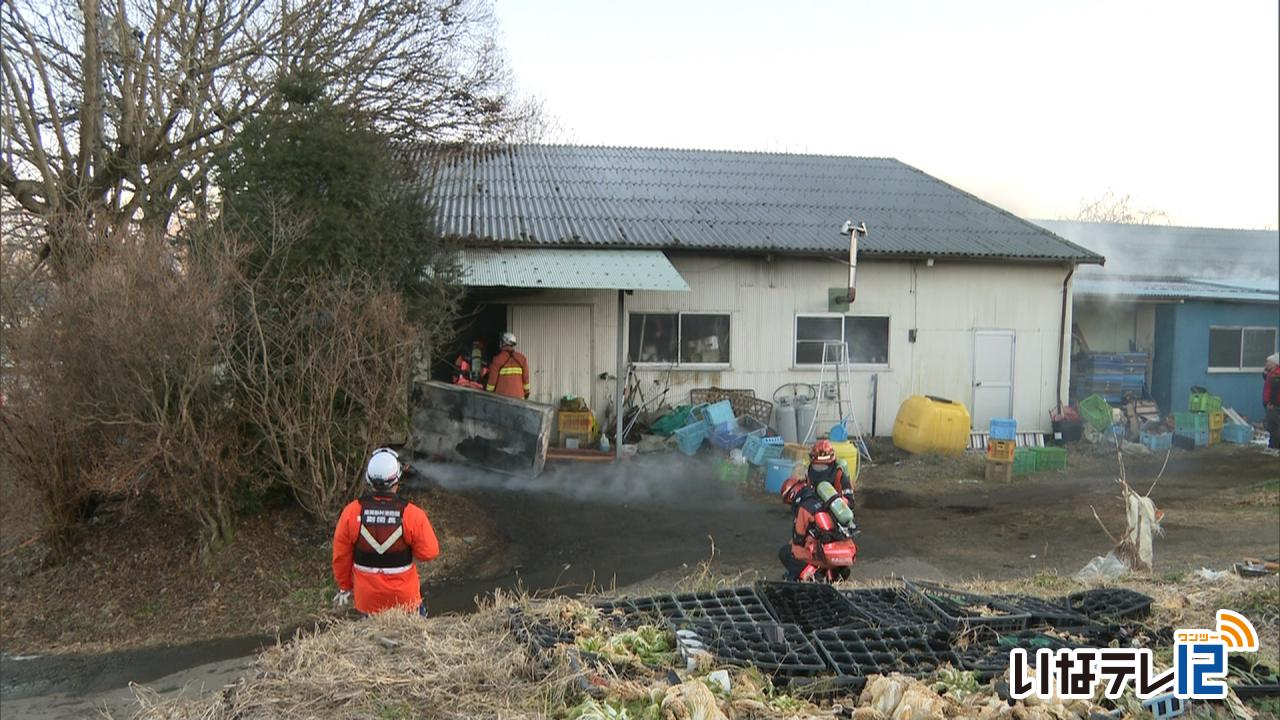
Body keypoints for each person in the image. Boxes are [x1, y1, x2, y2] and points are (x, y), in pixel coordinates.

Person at [332, 448, 440, 615]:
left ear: (368, 479)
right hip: (405, 600)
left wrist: (344, 586)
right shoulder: (412, 514)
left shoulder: (351, 512)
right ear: (397, 478)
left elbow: (341, 556)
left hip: (367, 601)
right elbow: (429, 553)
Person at [777, 474, 857, 582]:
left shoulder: (804, 507)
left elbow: (798, 539)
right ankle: (833, 573)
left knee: (787, 552)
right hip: (845, 549)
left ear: (792, 495)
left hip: (824, 553)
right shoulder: (824, 499)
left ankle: (813, 576)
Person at [486, 332, 531, 400]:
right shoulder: (522, 359)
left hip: (502, 398)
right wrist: (527, 391)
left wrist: (488, 393)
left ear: (504, 343)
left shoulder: (497, 360)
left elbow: (492, 381)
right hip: (519, 397)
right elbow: (526, 378)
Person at [1265, 354, 1280, 454]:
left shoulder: (1276, 376)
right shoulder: (1271, 374)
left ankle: (1276, 447)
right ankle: (1272, 445)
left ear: (1274, 364)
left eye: (1268, 362)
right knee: (1272, 426)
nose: (1266, 364)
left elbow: (1274, 391)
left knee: (1275, 426)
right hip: (1271, 404)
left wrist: (1270, 402)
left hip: (1274, 404)